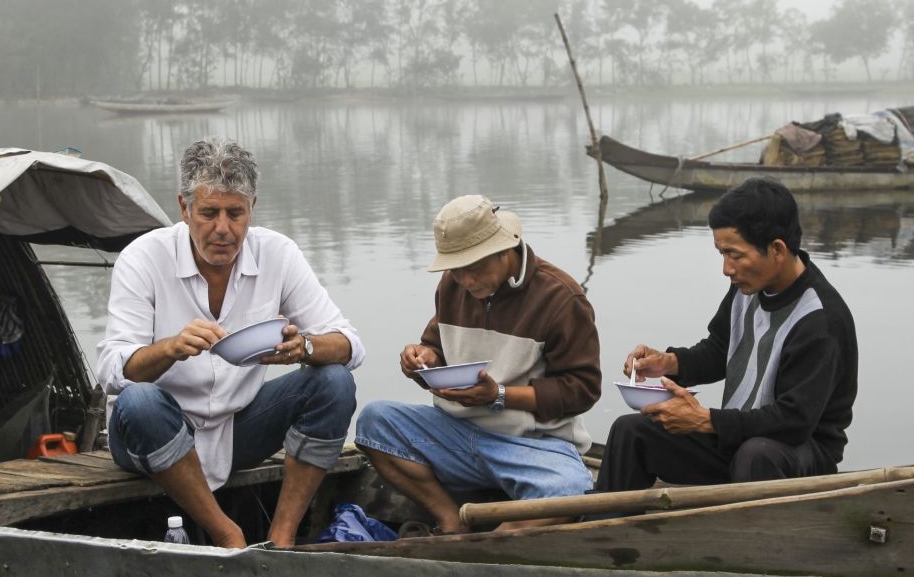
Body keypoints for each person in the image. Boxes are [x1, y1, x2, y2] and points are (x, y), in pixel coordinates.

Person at [97, 137, 361, 548]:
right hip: (154, 434)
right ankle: (227, 533)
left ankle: (283, 535)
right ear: (184, 210)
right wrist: (170, 348)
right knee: (140, 402)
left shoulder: (278, 254)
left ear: (252, 207)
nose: (223, 228)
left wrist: (303, 347)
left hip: (238, 428)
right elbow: (113, 370)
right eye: (209, 213)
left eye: (236, 213)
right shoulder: (143, 258)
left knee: (333, 383)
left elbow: (350, 345)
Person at [595, 177, 857, 495]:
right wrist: (669, 362)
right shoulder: (747, 288)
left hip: (798, 454)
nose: (726, 269)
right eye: (721, 254)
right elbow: (722, 349)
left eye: (734, 255)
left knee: (757, 454)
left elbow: (794, 420)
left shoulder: (821, 319)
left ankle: (743, 542)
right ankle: (608, 528)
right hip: (738, 436)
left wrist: (707, 421)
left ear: (777, 249)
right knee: (630, 431)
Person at [354, 195, 600, 533]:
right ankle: (450, 520)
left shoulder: (560, 298)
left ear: (503, 250)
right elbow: (435, 345)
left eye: (474, 268)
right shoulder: (453, 286)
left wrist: (498, 395)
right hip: (456, 432)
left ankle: (492, 545)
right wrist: (423, 359)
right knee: (374, 421)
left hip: (532, 444)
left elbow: (582, 391)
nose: (466, 280)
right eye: (456, 269)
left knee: (568, 490)